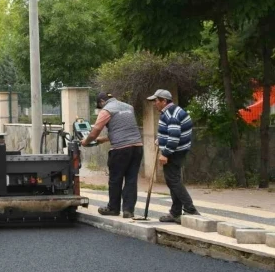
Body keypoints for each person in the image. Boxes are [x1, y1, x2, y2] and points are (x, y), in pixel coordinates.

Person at [80, 92, 144, 218]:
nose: (100, 109)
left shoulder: (106, 110)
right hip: (137, 147)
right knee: (131, 180)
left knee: (116, 179)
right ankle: (128, 210)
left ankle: (113, 208)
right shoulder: (128, 107)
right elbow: (122, 130)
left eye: (100, 106)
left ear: (102, 102)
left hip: (120, 149)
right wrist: (101, 140)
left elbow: (94, 132)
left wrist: (86, 142)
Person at [147, 89, 199, 223]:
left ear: (164, 101)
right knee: (172, 181)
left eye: (156, 101)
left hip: (175, 152)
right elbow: (171, 133)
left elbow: (174, 137)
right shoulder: (172, 111)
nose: (154, 104)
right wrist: (161, 139)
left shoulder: (171, 115)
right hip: (178, 150)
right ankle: (175, 212)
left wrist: (165, 153)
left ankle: (190, 209)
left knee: (173, 180)